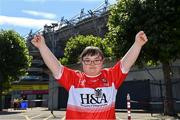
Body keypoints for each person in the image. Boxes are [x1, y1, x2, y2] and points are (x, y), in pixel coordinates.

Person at [31, 31, 148, 119]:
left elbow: (125, 63)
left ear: (102, 62)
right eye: (87, 60)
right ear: (81, 62)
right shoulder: (74, 79)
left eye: (97, 60)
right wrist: (42, 46)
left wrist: (137, 44)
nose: (92, 63)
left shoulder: (111, 77)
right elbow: (56, 67)